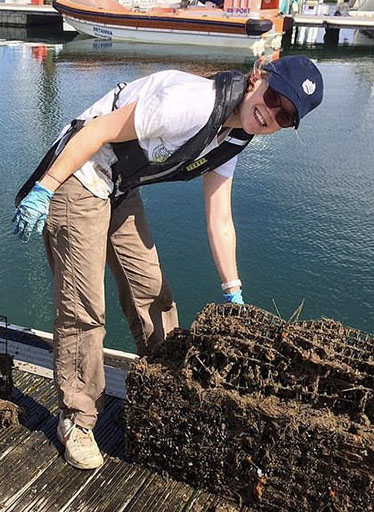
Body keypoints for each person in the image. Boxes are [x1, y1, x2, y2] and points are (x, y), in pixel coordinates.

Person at [12, 55, 323, 470]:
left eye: (285, 117)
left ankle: (165, 389)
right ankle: (78, 417)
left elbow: (220, 217)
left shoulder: (233, 137)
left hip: (120, 185)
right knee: (85, 307)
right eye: (274, 98)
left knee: (153, 292)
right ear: (260, 77)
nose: (271, 115)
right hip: (80, 174)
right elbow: (97, 130)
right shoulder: (191, 103)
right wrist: (45, 189)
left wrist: (234, 291)